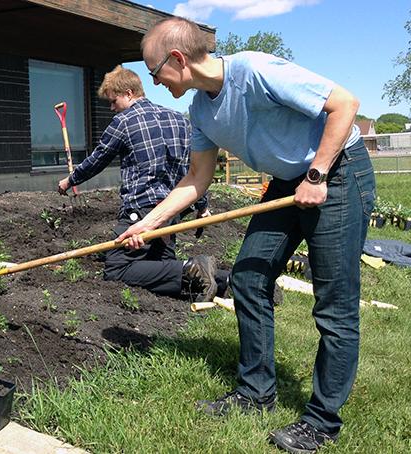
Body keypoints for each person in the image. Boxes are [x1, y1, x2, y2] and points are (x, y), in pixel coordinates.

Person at [125, 17, 375, 453]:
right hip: (286, 182)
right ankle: (256, 393)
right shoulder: (201, 111)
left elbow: (345, 104)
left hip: (336, 172)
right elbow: (196, 178)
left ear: (178, 59)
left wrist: (316, 174)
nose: (155, 82)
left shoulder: (255, 70)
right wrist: (149, 223)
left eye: (154, 72)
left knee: (334, 305)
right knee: (247, 279)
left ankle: (321, 421)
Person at [57, 64, 226, 302]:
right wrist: (201, 206)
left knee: (117, 268)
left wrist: (69, 180)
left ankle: (193, 269)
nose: (112, 108)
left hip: (142, 210)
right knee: (161, 269)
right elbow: (196, 170)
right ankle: (230, 281)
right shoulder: (179, 119)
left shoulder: (124, 121)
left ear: (129, 93)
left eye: (114, 101)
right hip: (172, 210)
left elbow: (98, 159)